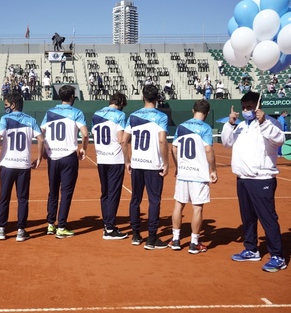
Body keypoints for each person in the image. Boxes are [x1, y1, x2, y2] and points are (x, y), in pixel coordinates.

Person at [221, 92, 286, 272]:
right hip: (243, 179)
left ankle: (278, 256)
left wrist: (264, 122)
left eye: (249, 107)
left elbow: (280, 139)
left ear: (257, 106)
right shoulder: (241, 125)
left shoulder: (271, 123)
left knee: (268, 218)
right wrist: (230, 123)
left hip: (261, 179)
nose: (246, 111)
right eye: (243, 108)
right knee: (247, 218)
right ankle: (251, 249)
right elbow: (226, 142)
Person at [121, 84, 169, 249]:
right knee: (154, 201)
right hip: (153, 165)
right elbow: (162, 140)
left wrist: (127, 161)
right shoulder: (161, 116)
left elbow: (124, 140)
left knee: (135, 199)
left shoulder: (133, 116)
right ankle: (152, 238)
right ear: (157, 99)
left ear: (143, 97)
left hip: (137, 164)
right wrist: (166, 163)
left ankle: (135, 234)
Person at [0, 92, 44, 242]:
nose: (5, 107)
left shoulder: (5, 119)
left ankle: (1, 228)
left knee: (4, 197)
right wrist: (39, 158)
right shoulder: (31, 120)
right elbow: (41, 140)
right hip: (23, 165)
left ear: (13, 104)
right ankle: (21, 230)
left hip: (7, 164)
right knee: (22, 198)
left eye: (6, 104)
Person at [169, 99, 218, 254]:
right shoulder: (206, 128)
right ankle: (194, 242)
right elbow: (209, 150)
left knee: (179, 204)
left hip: (183, 172)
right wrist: (214, 170)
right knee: (197, 207)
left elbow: (174, 148)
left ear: (193, 110)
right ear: (207, 112)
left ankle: (175, 239)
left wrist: (178, 166)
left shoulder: (182, 126)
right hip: (199, 174)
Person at [40, 85, 89, 238]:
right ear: (72, 97)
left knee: (53, 191)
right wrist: (83, 149)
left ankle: (50, 224)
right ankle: (61, 226)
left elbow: (41, 133)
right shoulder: (77, 112)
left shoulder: (49, 112)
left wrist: (43, 152)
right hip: (68, 156)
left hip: (53, 157)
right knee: (66, 192)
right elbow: (85, 134)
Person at [92, 93, 128, 240]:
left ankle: (107, 224)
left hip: (101, 157)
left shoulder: (96, 114)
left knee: (105, 192)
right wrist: (127, 159)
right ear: (120, 103)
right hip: (115, 158)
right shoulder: (120, 115)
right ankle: (110, 229)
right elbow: (121, 139)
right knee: (113, 193)